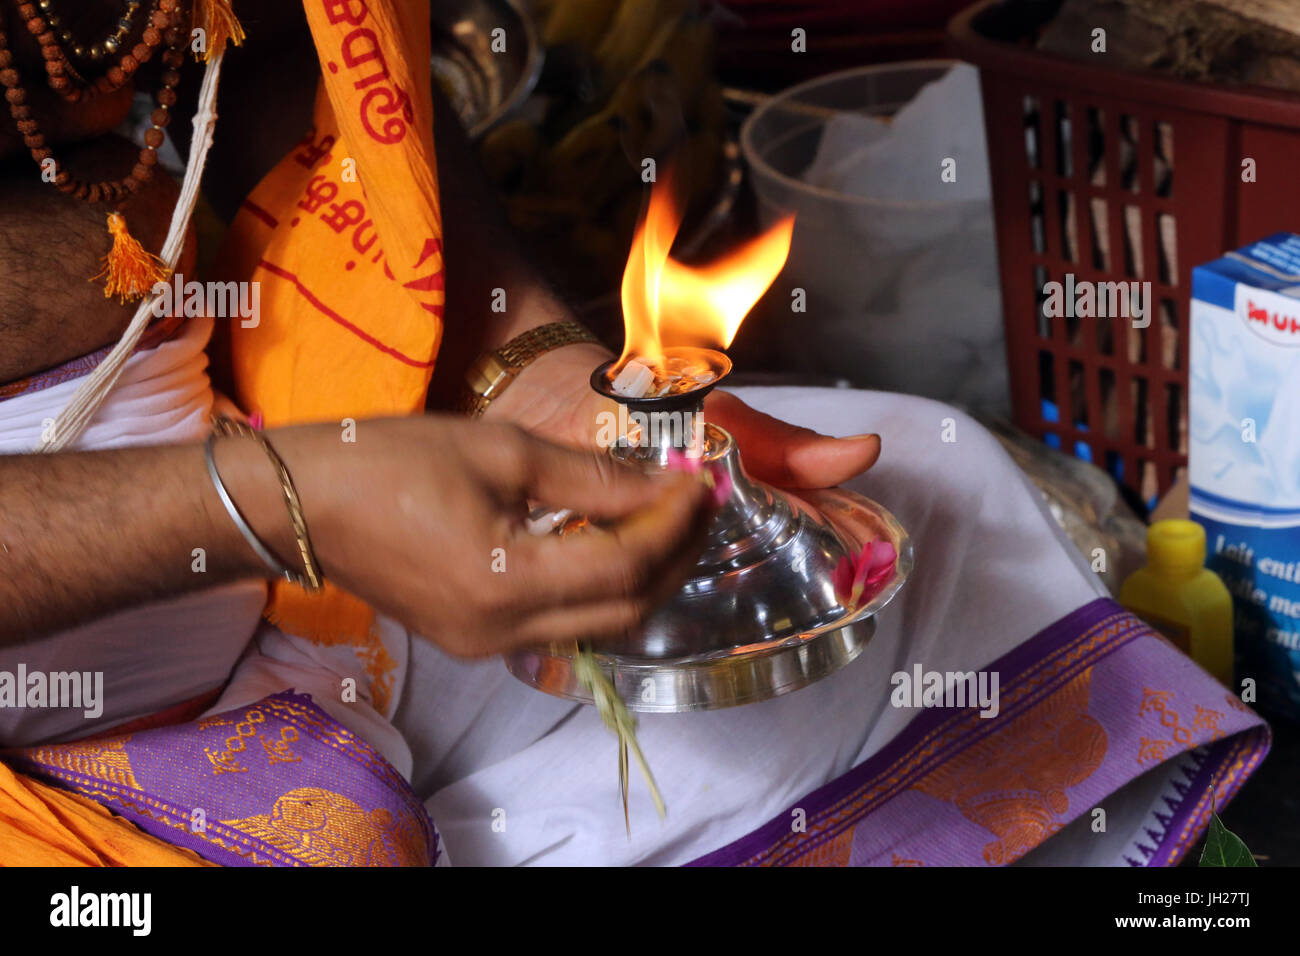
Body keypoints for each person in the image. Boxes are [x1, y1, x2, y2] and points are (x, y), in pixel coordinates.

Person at [0, 1, 1267, 867]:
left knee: (939, 494)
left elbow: (307, 65)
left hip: (284, 588)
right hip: (57, 745)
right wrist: (279, 502)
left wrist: (533, 370)